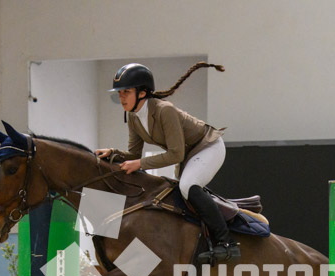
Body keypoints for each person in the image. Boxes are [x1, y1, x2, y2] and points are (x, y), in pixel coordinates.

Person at [95, 62, 240, 263]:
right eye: (119, 93)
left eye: (126, 92)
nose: (121, 98)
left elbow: (175, 154)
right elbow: (133, 154)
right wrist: (112, 153)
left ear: (142, 93)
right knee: (176, 195)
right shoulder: (133, 117)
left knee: (188, 186)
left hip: (207, 147)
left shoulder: (165, 110)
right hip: (188, 154)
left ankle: (227, 243)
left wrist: (140, 164)